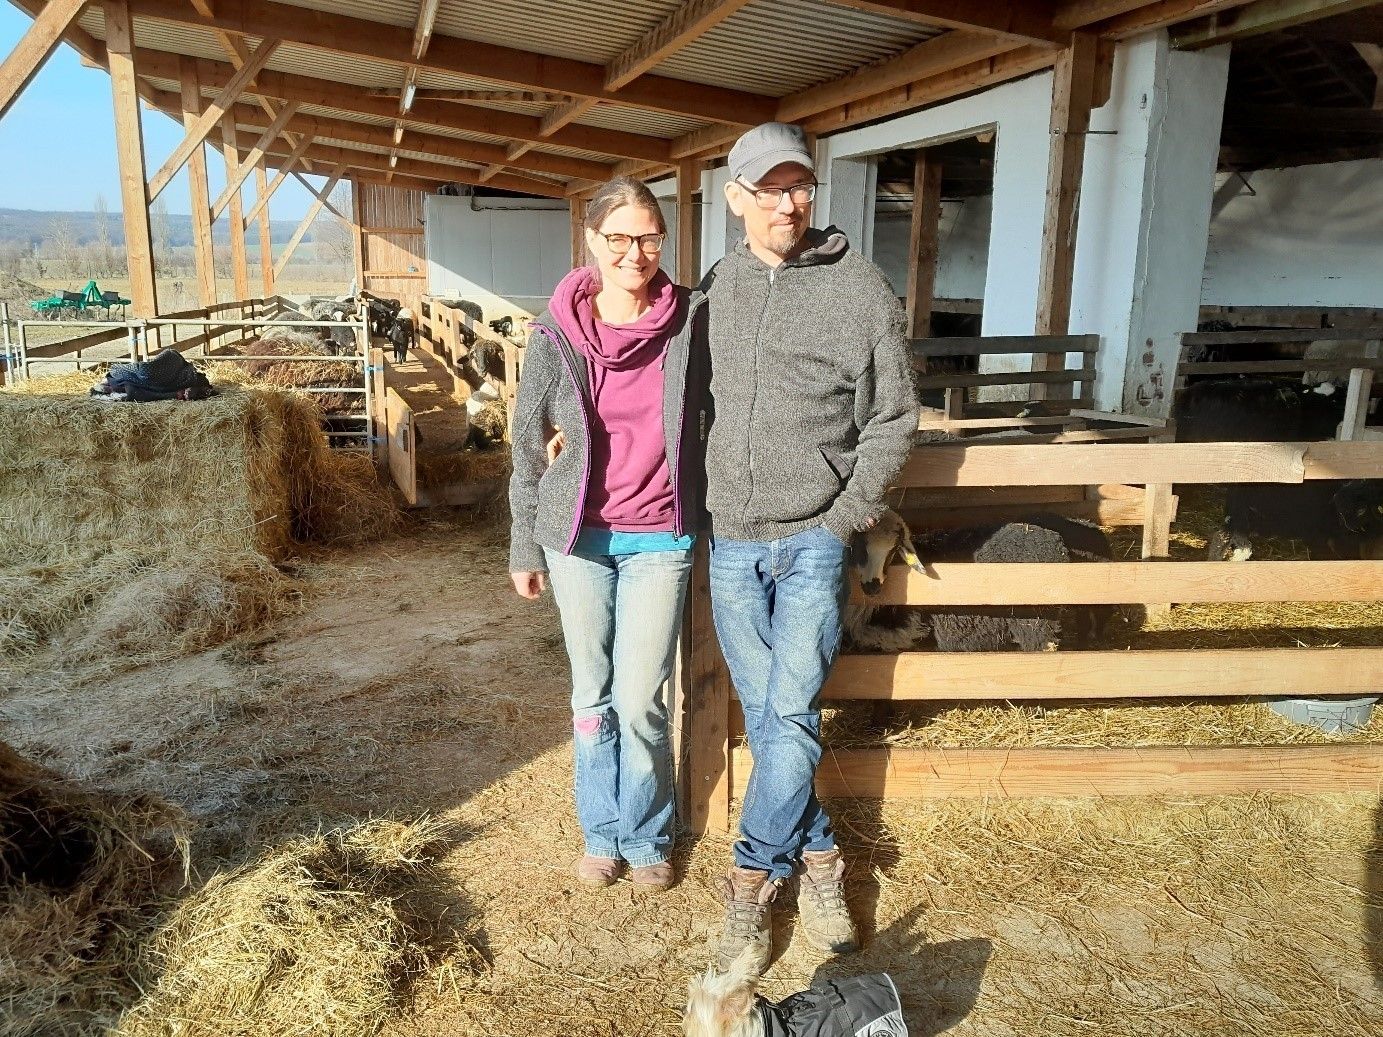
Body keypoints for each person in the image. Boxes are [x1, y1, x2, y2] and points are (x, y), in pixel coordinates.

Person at [700, 123, 918, 972]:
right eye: (769, 189)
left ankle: (750, 886)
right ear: (736, 199)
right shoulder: (716, 288)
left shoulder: (860, 290)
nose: (788, 202)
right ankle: (822, 856)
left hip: (813, 539)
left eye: (799, 187)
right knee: (777, 719)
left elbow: (894, 413)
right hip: (731, 542)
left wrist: (846, 513)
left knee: (783, 715)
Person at [508, 176, 707, 891]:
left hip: (660, 535)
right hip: (578, 538)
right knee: (591, 695)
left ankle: (648, 832)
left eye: (649, 236)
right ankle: (601, 831)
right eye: (619, 237)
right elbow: (527, 443)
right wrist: (523, 544)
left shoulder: (690, 321)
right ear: (591, 240)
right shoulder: (555, 333)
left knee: (640, 699)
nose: (635, 252)